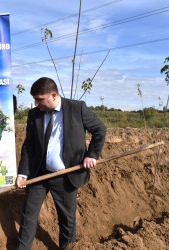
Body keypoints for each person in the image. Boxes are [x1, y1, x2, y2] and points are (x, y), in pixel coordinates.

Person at [16, 77, 106, 250]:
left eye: (39, 99)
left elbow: (100, 130)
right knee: (28, 215)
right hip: (38, 174)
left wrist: (92, 155)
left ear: (54, 95)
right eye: (34, 99)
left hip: (66, 176)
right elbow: (29, 145)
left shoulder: (77, 108)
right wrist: (23, 173)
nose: (36, 103)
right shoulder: (34, 114)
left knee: (67, 221)